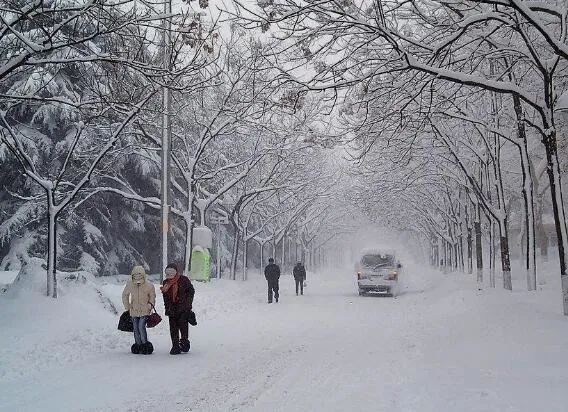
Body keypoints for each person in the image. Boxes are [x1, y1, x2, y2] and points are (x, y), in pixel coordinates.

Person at [161, 263, 195, 355]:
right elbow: (165, 297)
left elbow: (191, 291)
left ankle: (184, 343)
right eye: (168, 273)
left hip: (183, 308)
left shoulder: (184, 280)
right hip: (171, 309)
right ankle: (175, 346)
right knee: (173, 328)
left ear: (176, 272)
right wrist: (167, 307)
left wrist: (188, 304)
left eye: (171, 273)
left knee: (183, 327)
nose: (170, 276)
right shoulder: (165, 283)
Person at [122, 265, 156, 355]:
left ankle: (145, 345)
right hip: (133, 310)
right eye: (135, 276)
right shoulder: (130, 284)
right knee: (136, 328)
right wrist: (127, 306)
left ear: (143, 276)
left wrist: (150, 305)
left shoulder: (149, 285)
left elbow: (152, 296)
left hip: (145, 310)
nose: (138, 280)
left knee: (141, 326)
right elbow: (125, 295)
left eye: (140, 276)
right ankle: (138, 345)